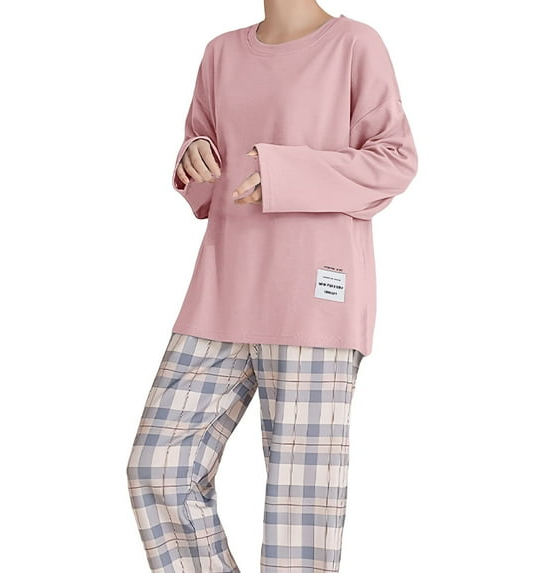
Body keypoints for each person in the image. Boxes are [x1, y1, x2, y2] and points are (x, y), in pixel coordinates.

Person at [126, 1, 418, 571]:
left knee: (298, 509)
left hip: (315, 298)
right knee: (156, 467)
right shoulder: (220, 53)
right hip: (221, 293)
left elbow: (394, 161)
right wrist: (193, 157)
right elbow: (203, 183)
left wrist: (283, 173)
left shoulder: (354, 44)